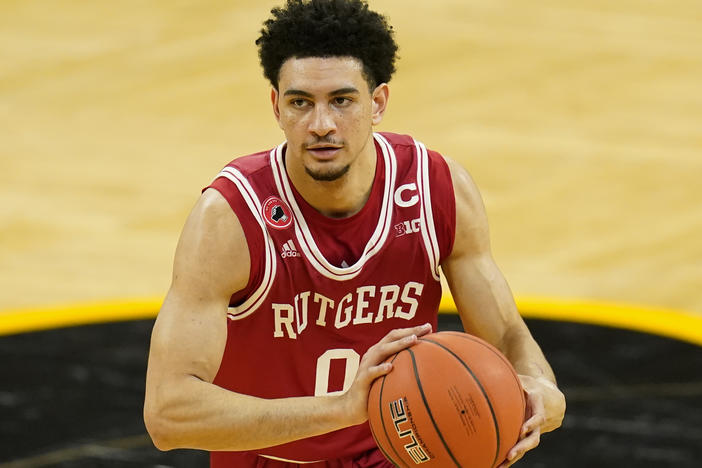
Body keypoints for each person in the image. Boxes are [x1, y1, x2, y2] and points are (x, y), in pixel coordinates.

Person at [143, 0, 566, 466]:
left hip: (400, 450)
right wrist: (343, 410)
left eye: (341, 101)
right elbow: (168, 414)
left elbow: (504, 333)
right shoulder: (229, 218)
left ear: (378, 102)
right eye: (300, 102)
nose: (321, 125)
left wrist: (540, 386)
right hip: (271, 458)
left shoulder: (435, 190)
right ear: (276, 106)